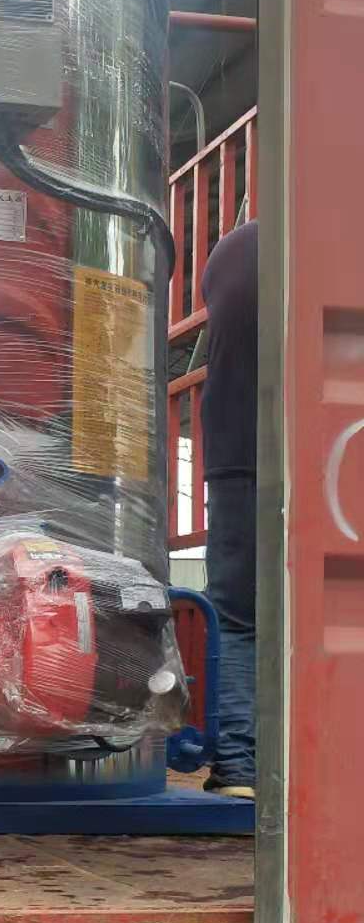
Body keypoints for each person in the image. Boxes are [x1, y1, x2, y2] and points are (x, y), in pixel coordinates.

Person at [200, 218, 258, 798]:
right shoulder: (327, 246)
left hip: (234, 459)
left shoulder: (230, 249)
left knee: (238, 620)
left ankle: (239, 766)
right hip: (319, 457)